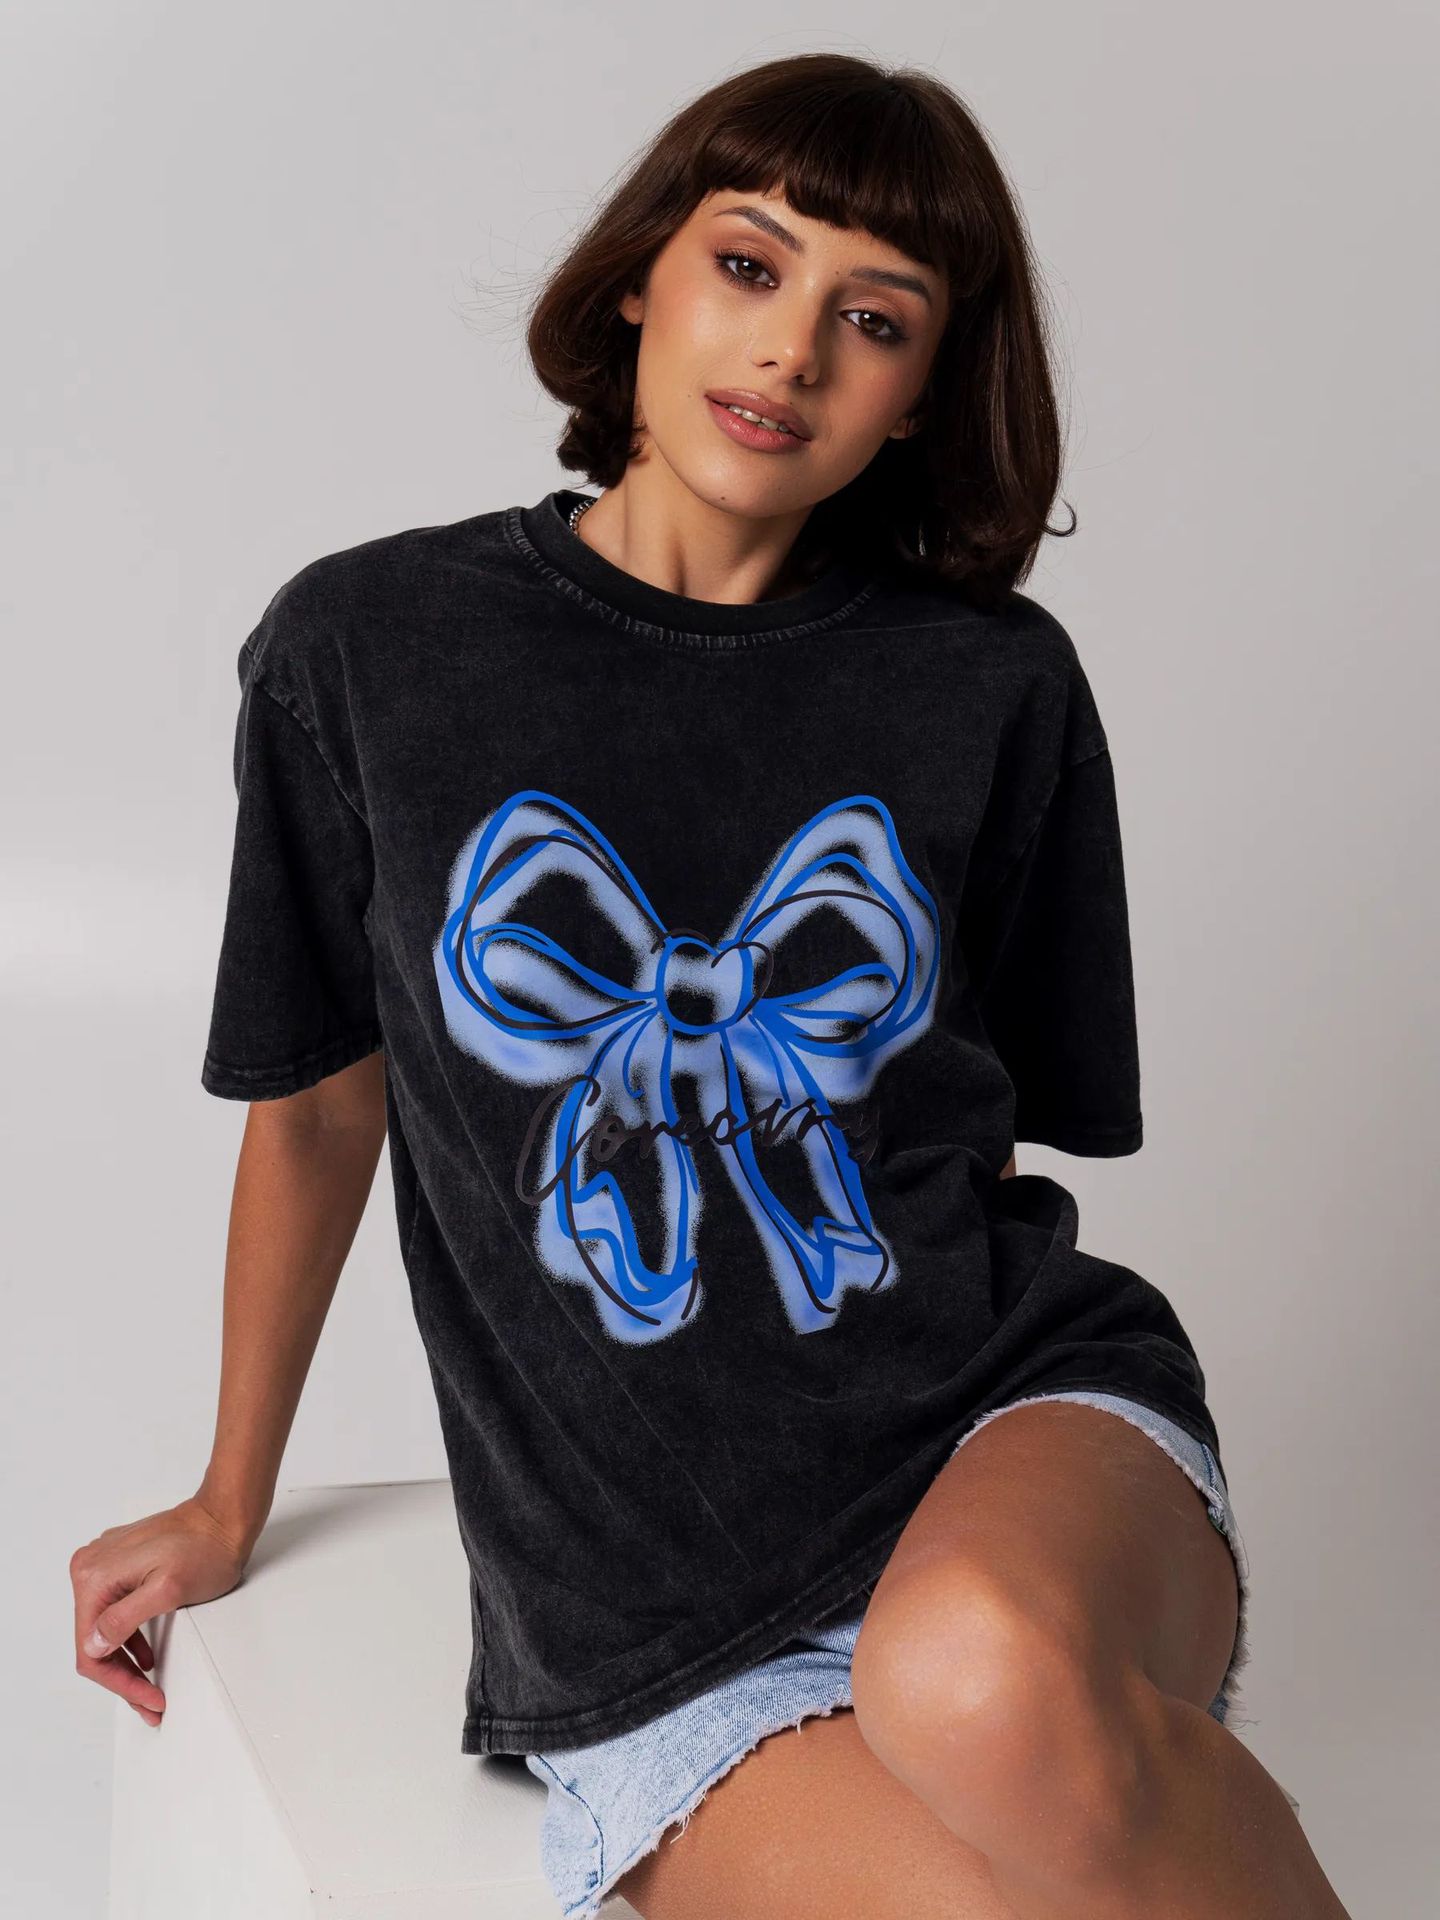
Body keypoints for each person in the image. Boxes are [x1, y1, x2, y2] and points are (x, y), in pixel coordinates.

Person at [69, 51, 1353, 1920]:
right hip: (650, 1618)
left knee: (976, 1673)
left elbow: (968, 1140)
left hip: (1007, 1448)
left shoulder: (993, 683)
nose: (793, 352)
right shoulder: (365, 648)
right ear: (637, 284)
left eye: (875, 319)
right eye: (750, 266)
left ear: (924, 394)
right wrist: (222, 1496)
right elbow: (324, 1110)